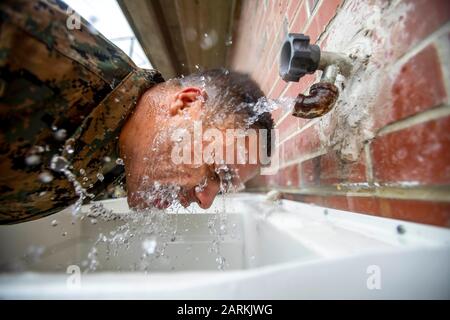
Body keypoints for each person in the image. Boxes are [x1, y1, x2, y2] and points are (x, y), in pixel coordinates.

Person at [0, 0, 273, 224]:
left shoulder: (132, 164)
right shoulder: (38, 50)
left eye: (221, 189)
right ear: (186, 104)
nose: (205, 202)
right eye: (216, 172)